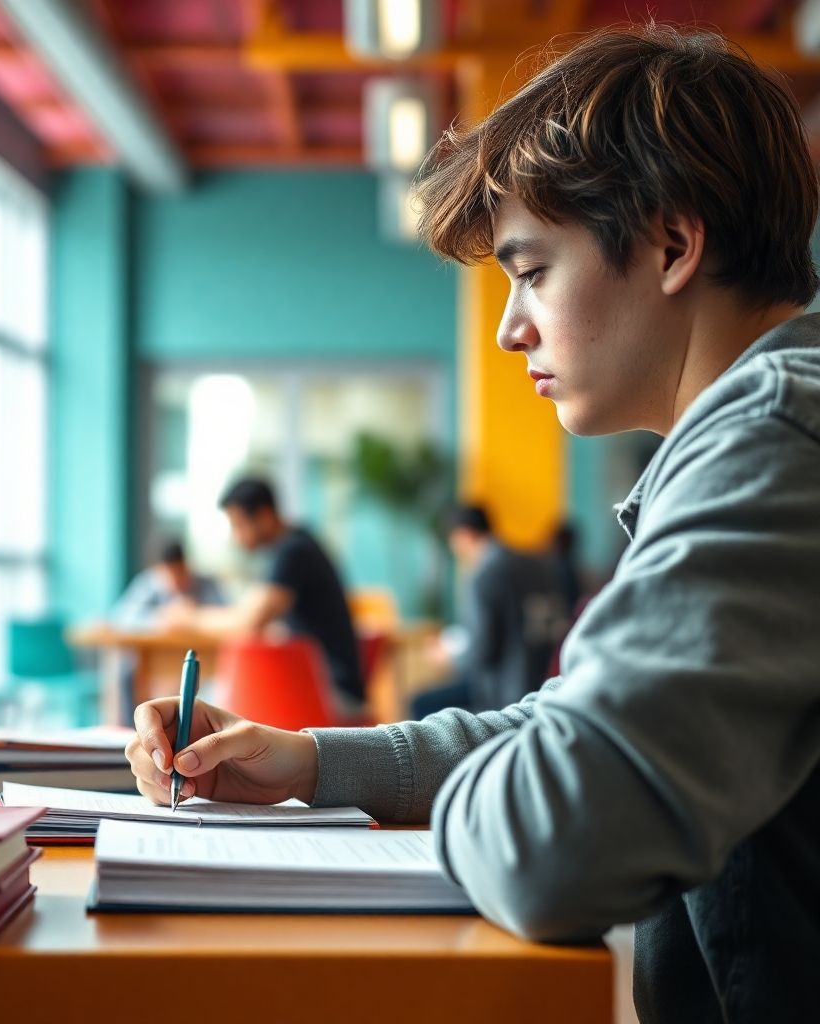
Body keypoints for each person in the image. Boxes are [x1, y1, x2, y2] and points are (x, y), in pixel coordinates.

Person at [126, 25, 820, 1022]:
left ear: (673, 243)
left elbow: (557, 843)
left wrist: (498, 795)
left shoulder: (772, 439)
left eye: (531, 271)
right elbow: (575, 722)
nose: (507, 326)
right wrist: (314, 763)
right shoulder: (757, 434)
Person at [161, 477, 365, 712]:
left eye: (238, 525)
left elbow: (248, 621)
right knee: (209, 696)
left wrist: (189, 617)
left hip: (330, 693)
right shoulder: (294, 545)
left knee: (202, 705)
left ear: (265, 515)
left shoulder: (293, 552)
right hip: (321, 685)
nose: (236, 536)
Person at [412, 504, 568, 718]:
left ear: (463, 536)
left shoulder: (486, 574)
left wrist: (448, 658)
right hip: (550, 683)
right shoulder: (538, 564)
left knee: (420, 703)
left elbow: (483, 650)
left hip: (504, 697)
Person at [112, 537, 224, 627]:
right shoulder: (147, 584)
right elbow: (120, 617)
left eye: (180, 572)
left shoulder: (205, 584)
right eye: (171, 574)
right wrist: (161, 617)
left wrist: (195, 615)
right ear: (157, 570)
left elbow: (225, 615)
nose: (176, 579)